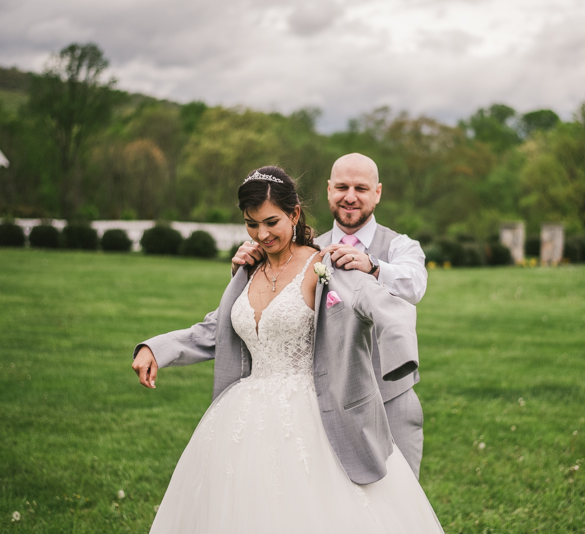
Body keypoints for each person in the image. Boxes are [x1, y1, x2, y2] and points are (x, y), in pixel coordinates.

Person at [132, 166, 443, 533]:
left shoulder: (324, 265)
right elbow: (216, 329)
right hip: (243, 419)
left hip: (313, 414)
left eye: (270, 222)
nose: (261, 234)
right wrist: (156, 348)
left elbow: (391, 307)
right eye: (251, 224)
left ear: (294, 214)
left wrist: (399, 359)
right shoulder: (247, 272)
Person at [231, 153, 428, 477]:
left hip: (390, 397)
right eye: (342, 187)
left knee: (396, 503)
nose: (350, 196)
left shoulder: (399, 246)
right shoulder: (311, 250)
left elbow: (414, 285)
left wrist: (373, 265)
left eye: (361, 188)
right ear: (328, 190)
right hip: (328, 401)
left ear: (377, 192)